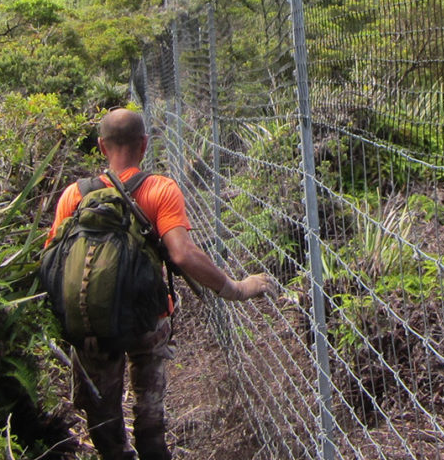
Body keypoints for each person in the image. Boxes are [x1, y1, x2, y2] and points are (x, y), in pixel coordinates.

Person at [46, 107, 275, 460]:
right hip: (148, 321)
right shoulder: (159, 189)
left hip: (92, 326)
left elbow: (53, 261)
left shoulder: (73, 196)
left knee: (103, 413)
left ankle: (115, 452)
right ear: (144, 144)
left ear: (101, 146)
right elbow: (182, 255)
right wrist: (235, 288)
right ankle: (153, 450)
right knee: (149, 409)